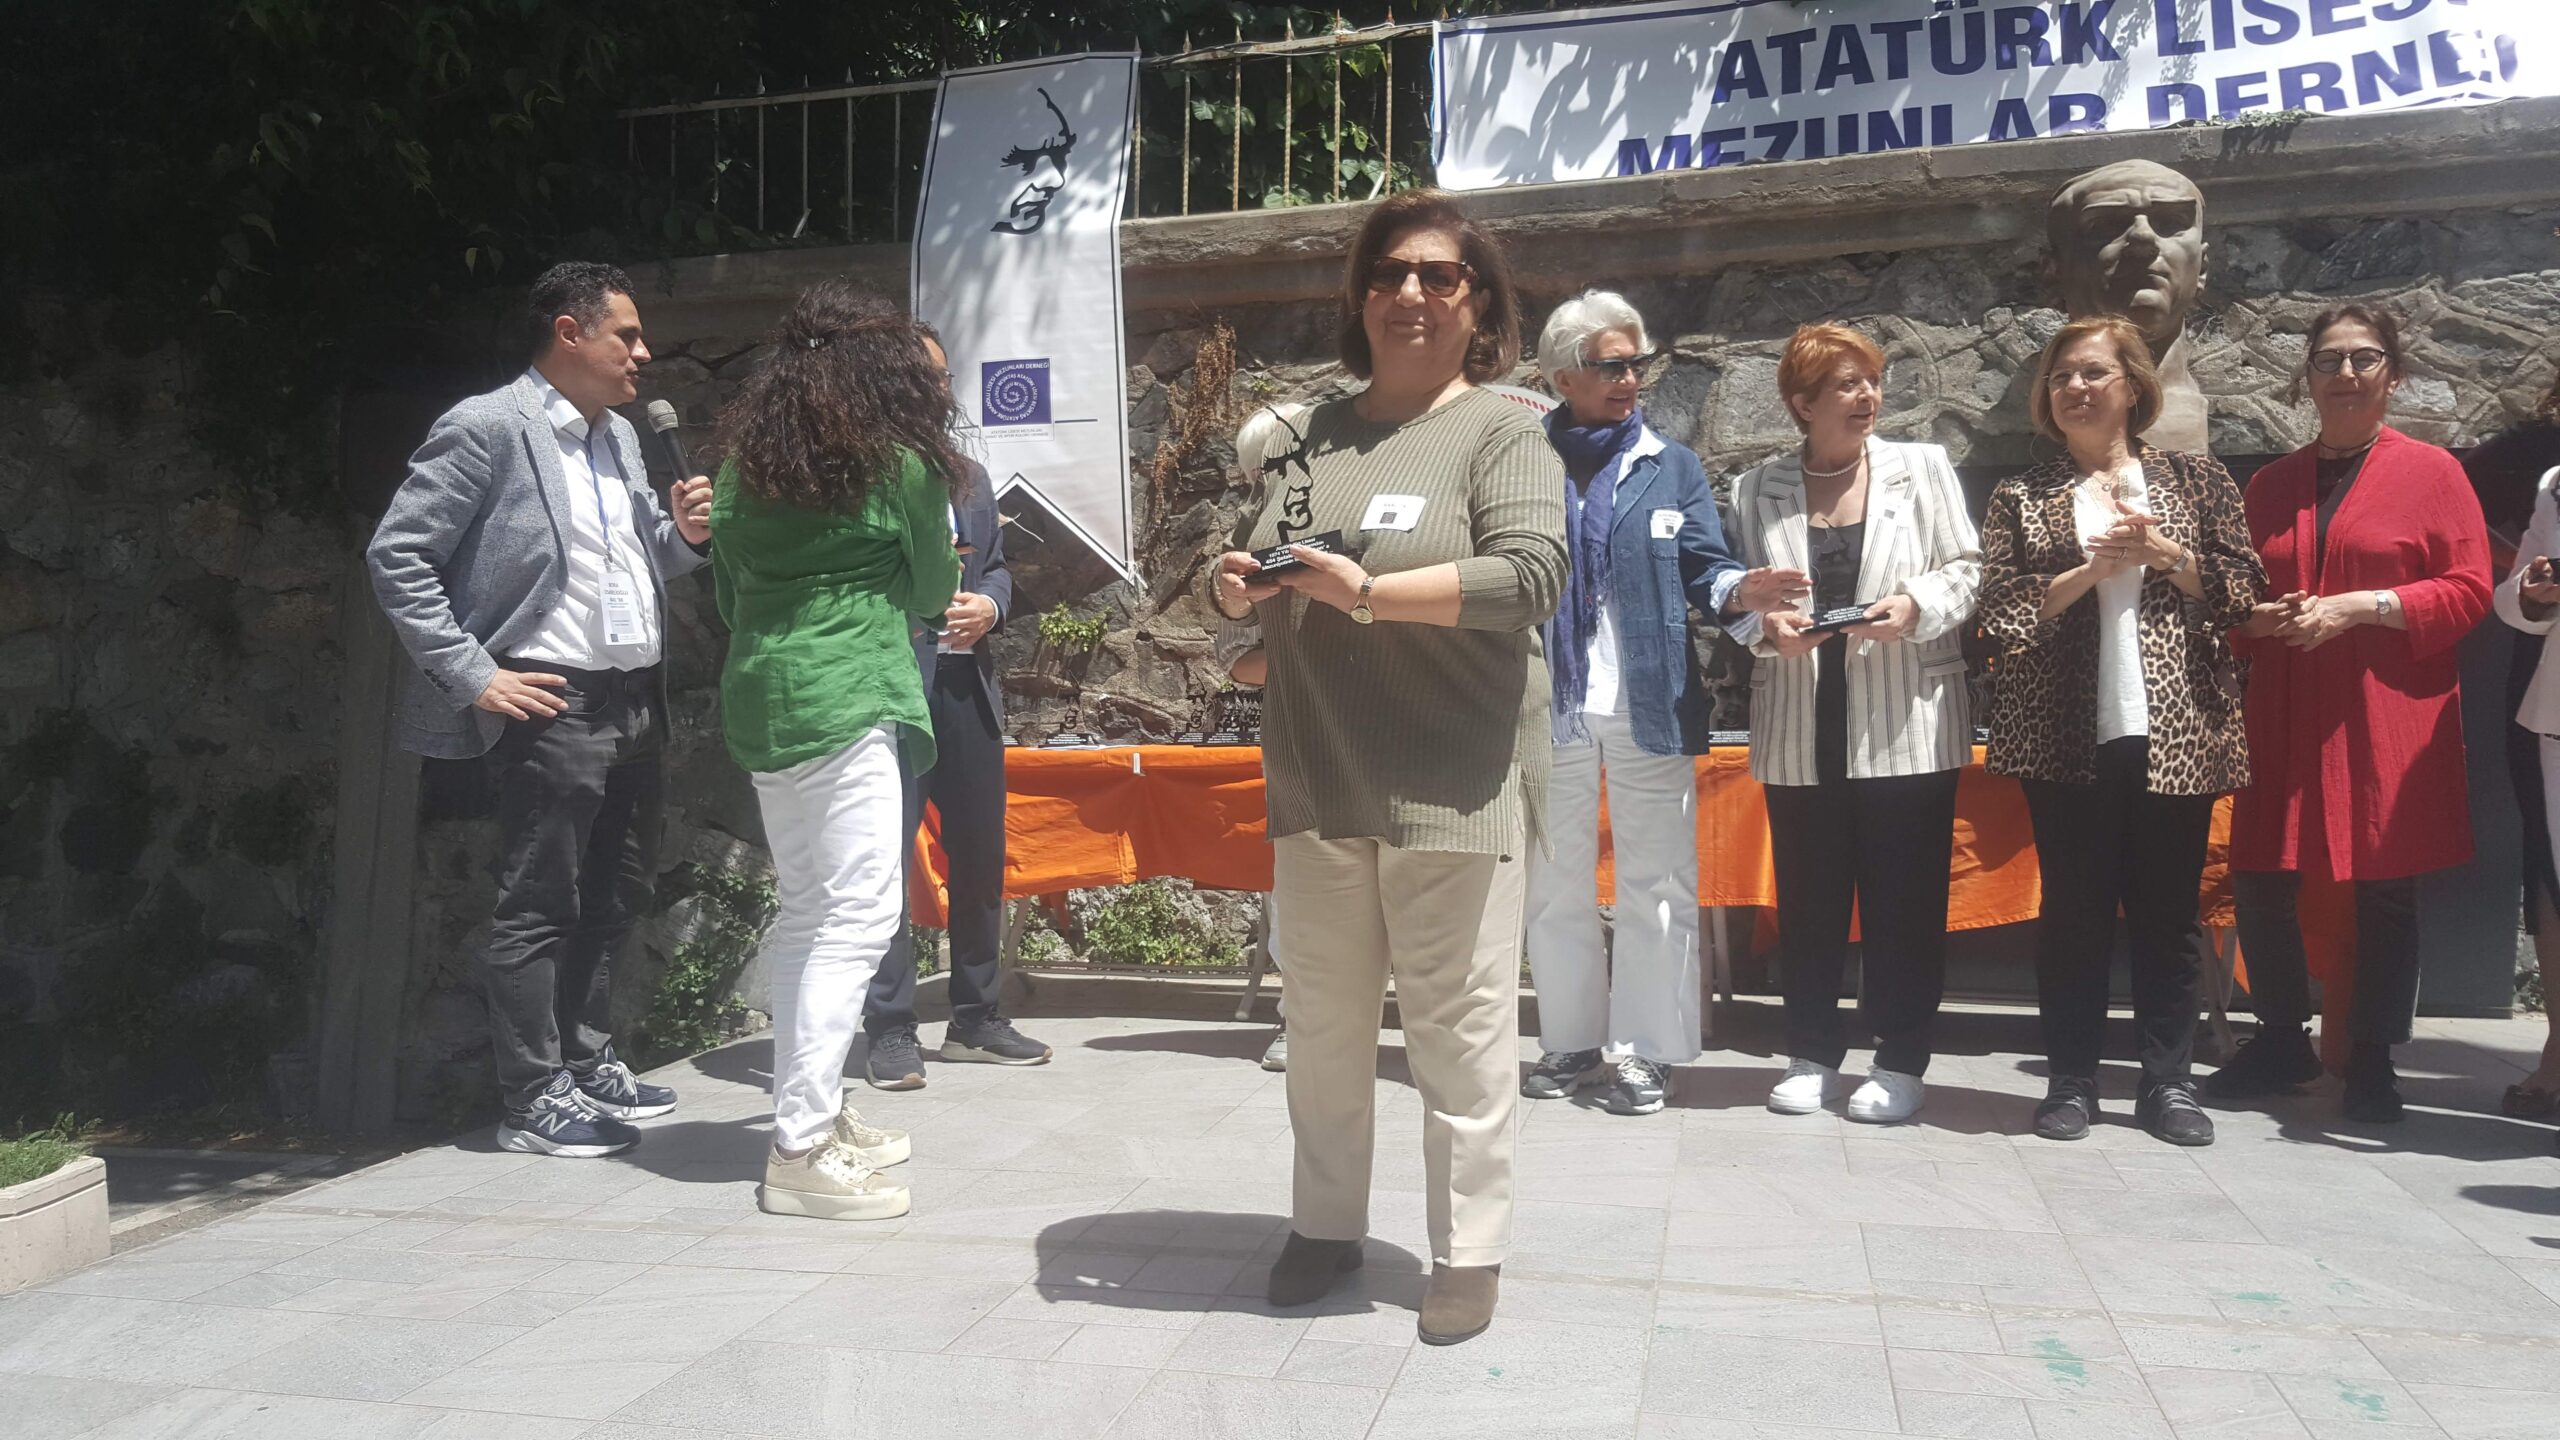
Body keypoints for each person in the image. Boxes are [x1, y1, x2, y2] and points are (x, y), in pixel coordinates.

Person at [1207, 189, 1566, 1346]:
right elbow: (1261, 569)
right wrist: (1237, 588)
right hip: (1319, 774)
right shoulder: (1310, 435)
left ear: (1479, 306)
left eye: (1438, 275)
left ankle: (1468, 1252)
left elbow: (1529, 576)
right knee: (1320, 1026)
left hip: (1453, 779)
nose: (1409, 292)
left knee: (1457, 1034)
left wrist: (1365, 595)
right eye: (1388, 273)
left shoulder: (1504, 431)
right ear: (1360, 298)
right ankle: (1324, 1225)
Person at [368, 262, 711, 1159]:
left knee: (617, 892)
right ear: (569, 333)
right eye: (626, 335)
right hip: (551, 699)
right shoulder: (487, 427)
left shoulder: (620, 437)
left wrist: (685, 538)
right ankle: (530, 1097)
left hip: (634, 696)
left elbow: (637, 556)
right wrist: (473, 674)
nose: (643, 352)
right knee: (539, 902)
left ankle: (587, 1060)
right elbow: (398, 556)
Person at [710, 282, 962, 1219]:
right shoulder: (900, 466)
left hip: (764, 696)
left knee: (808, 913)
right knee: (858, 917)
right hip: (849, 690)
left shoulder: (742, 468)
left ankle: (806, 1111)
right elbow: (931, 592)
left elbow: (729, 595)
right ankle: (802, 1146)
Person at [1979, 316, 2263, 1147]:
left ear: (2134, 387)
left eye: (2093, 372)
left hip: (2175, 730)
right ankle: (2070, 1082)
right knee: (2073, 913)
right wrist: (2090, 571)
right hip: (2063, 734)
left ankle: (2168, 1084)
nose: (2075, 387)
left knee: (2169, 916)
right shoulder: (2022, 494)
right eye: (2061, 376)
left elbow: (2244, 591)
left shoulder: (2196, 479)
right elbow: (1999, 610)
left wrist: (2166, 553)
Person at [1520, 290, 1803, 1118]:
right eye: (1611, 366)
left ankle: (1649, 1052)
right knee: (1553, 884)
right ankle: (1571, 1042)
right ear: (1563, 377)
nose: (1630, 379)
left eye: (1636, 364)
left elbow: (1705, 570)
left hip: (1650, 696)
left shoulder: (1669, 464)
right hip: (1549, 701)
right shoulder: (1522, 460)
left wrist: (1743, 591)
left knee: (1660, 883)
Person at [2212, 304, 2493, 1124]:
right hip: (2283, 704)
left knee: (2384, 885)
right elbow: (2237, 602)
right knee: (2260, 874)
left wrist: (2361, 606)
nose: (2344, 373)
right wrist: (2260, 620)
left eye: (2363, 358)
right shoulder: (2270, 484)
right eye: (2328, 359)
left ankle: (2371, 1057)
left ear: (2393, 376)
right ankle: (2280, 1039)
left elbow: (2469, 589)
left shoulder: (2433, 474)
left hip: (2384, 707)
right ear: (2306, 378)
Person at [1728, 323, 1982, 1125]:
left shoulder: (1923, 468)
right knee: (1808, 902)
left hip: (1907, 716)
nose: (1868, 395)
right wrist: (1764, 629)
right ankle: (1811, 1054)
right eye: (1846, 384)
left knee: (1905, 903)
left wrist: (1915, 606)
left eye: (1872, 379)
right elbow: (1735, 597)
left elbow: (1968, 568)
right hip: (1801, 720)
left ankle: (1901, 1060)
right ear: (1803, 403)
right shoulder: (1754, 488)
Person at [859, 327, 1052, 1091]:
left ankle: (975, 1018)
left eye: (943, 379)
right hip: (894, 689)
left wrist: (989, 608)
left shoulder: (967, 476)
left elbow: (996, 569)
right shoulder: (857, 478)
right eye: (923, 378)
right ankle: (889, 1027)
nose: (938, 392)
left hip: (968, 692)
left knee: (978, 856)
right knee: (885, 860)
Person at [1216, 403, 1313, 1076]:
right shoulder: (1250, 545)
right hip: (1302, 737)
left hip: (1393, 727)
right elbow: (1235, 659)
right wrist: (1311, 661)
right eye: (1263, 473)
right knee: (1298, 886)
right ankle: (1299, 1019)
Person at [2475, 378, 2560, 1122]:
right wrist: (2531, 594)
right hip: (2550, 706)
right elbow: (2513, 593)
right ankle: (2558, 1051)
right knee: (2551, 873)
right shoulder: (2553, 482)